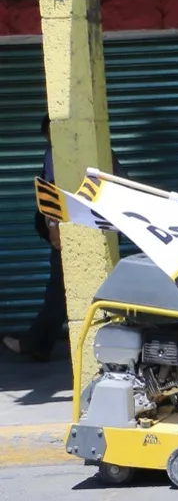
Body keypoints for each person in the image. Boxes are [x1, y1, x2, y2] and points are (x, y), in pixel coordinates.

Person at [4, 118, 125, 362]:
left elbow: (52, 191)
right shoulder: (101, 149)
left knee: (60, 289)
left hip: (74, 230)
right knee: (92, 286)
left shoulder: (56, 153)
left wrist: (53, 226)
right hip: (103, 229)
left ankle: (37, 343)